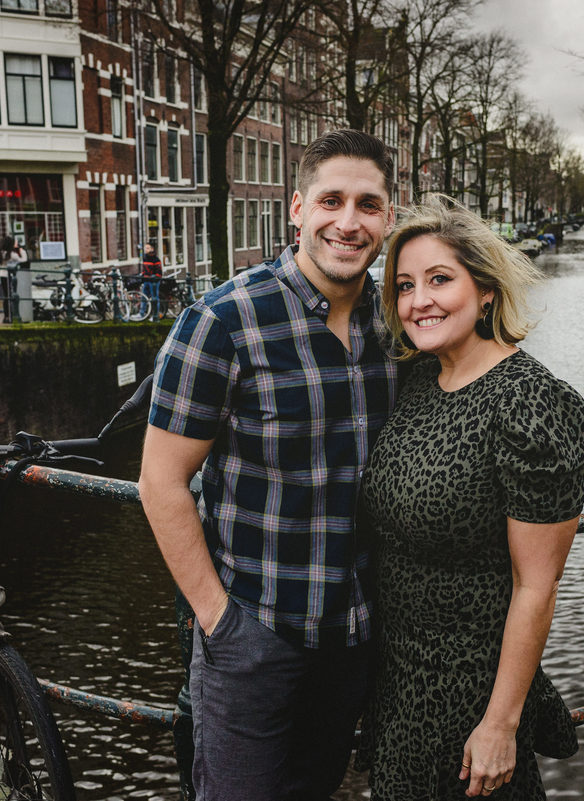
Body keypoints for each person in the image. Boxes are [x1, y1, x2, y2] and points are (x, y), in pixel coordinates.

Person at [139, 128, 397, 801]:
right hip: (256, 633)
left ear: (388, 218)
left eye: (368, 205)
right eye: (331, 201)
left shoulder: (399, 325)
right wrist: (220, 620)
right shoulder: (222, 322)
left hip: (353, 636)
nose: (348, 222)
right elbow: (161, 481)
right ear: (297, 208)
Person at [360, 196, 584, 800]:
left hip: (470, 695)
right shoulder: (418, 382)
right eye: (406, 285)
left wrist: (500, 724)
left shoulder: (530, 405)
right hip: (398, 685)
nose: (420, 301)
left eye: (441, 279)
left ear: (486, 290)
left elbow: (536, 585)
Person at [140, 242, 163, 317]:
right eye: (145, 248)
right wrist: (143, 275)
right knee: (143, 297)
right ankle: (141, 313)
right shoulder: (145, 258)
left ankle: (155, 315)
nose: (145, 250)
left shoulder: (156, 259)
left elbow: (159, 272)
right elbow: (144, 269)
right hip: (146, 281)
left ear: (152, 249)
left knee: (154, 298)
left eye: (147, 248)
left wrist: (155, 278)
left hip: (153, 282)